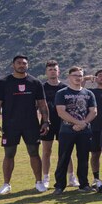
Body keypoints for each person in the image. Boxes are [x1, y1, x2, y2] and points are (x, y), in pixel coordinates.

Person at [51, 66, 97, 194]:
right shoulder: (62, 93)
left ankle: (84, 184)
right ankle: (59, 186)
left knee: (83, 158)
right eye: (75, 75)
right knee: (63, 158)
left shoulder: (88, 93)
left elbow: (93, 111)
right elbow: (61, 112)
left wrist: (84, 123)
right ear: (69, 77)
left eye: (80, 75)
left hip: (84, 131)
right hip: (67, 131)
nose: (78, 78)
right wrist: (77, 122)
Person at [39, 60, 67, 189]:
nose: (52, 71)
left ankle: (71, 176)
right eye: (50, 69)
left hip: (64, 122)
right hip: (47, 123)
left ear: (58, 71)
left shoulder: (65, 88)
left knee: (66, 151)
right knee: (46, 151)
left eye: (55, 69)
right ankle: (46, 177)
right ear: (46, 72)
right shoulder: (42, 88)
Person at [87, 69, 102, 190]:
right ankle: (96, 178)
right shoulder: (90, 92)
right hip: (94, 128)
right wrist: (86, 78)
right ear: (95, 79)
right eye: (99, 76)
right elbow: (77, 87)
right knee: (95, 154)